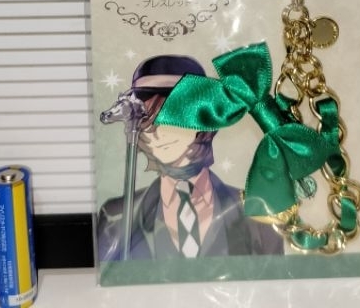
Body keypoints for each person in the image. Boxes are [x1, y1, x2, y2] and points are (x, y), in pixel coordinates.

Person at [97, 54, 284, 261]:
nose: (157, 134)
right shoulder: (115, 217)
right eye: (146, 122)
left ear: (203, 119)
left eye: (171, 119)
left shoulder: (258, 213)